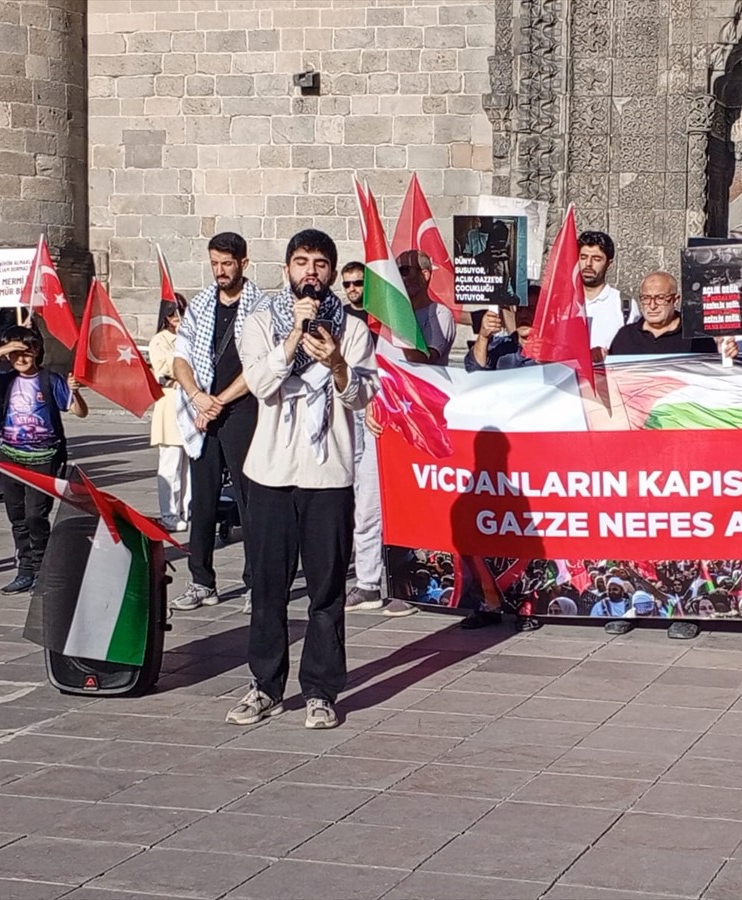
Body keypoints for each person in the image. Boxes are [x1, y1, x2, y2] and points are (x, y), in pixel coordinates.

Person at [227, 228, 379, 730]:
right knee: (269, 587)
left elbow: (360, 397)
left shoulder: (353, 329)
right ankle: (265, 686)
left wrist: (336, 361)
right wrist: (293, 335)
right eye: (301, 262)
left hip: (327, 474)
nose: (310, 272)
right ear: (286, 269)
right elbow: (261, 384)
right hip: (270, 471)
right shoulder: (259, 321)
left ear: (332, 272)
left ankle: (320, 689)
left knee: (325, 589)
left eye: (319, 263)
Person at [353, 249, 456, 616]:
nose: (404, 276)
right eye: (398, 271)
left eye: (409, 270)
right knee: (368, 506)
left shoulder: (439, 314)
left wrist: (402, 321)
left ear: (427, 274)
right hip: (382, 423)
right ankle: (366, 583)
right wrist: (368, 406)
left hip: (417, 427)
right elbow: (374, 371)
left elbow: (426, 361)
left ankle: (407, 585)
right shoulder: (386, 320)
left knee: (410, 511)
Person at [170, 232, 266, 612]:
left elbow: (261, 365)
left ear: (244, 262)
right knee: (203, 499)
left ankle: (255, 583)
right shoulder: (199, 305)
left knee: (249, 499)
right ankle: (200, 581)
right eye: (215, 264)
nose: (220, 271)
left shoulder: (262, 306)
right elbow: (181, 359)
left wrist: (219, 401)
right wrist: (197, 397)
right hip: (202, 408)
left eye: (227, 264)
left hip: (242, 409)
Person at [0, 326, 88, 593]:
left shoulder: (50, 379)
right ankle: (25, 568)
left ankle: (42, 567)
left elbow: (79, 411)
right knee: (17, 515)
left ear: (36, 352)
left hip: (43, 457)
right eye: (15, 354)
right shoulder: (5, 379)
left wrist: (75, 391)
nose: (21, 359)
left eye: (26, 352)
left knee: (36, 514)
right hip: (10, 455)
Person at [148, 292, 190, 532]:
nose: (178, 317)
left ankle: (186, 507)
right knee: (170, 461)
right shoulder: (160, 340)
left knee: (189, 461)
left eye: (181, 312)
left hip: (189, 401)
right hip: (170, 401)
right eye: (173, 313)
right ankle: (169, 512)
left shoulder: (189, 336)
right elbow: (165, 367)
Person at [608, 272, 717, 356]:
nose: (652, 306)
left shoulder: (696, 337)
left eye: (660, 298)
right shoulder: (625, 336)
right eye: (646, 298)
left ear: (676, 299)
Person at [579, 231, 626, 360]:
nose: (588, 264)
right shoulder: (561, 304)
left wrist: (608, 355)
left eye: (596, 259)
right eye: (583, 257)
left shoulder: (624, 305)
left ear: (609, 264)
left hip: (608, 378)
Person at [465, 304, 537, 371]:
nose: (523, 315)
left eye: (531, 309)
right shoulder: (503, 346)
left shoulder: (547, 351)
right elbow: (474, 370)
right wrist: (483, 336)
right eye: (519, 309)